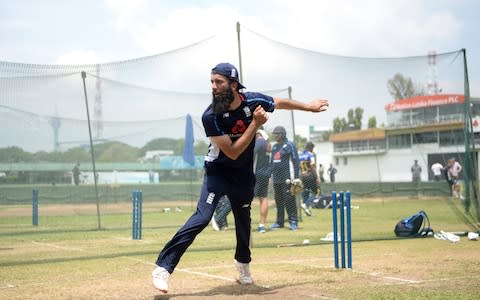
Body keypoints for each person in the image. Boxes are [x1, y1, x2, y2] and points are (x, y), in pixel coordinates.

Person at [151, 62, 329, 294]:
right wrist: (255, 124)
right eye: (212, 82)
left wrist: (309, 106)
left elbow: (279, 102)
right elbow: (233, 151)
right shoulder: (210, 115)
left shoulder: (253, 101)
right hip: (218, 172)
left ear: (233, 85)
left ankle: (243, 265)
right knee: (202, 218)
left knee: (243, 220)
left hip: (243, 174)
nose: (214, 87)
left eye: (219, 82)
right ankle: (163, 268)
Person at [270, 125, 300, 231]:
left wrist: (296, 177)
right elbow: (272, 163)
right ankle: (279, 222)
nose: (275, 136)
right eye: (275, 134)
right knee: (279, 201)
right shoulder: (274, 147)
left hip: (287, 178)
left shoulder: (289, 145)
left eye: (277, 134)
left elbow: (295, 161)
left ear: (282, 134)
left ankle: (293, 221)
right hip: (277, 179)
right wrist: (270, 175)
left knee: (289, 200)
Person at [254, 128, 272, 233]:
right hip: (266, 173)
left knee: (246, 198)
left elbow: (251, 155)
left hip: (256, 173)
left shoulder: (259, 142)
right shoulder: (267, 143)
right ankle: (262, 225)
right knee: (263, 198)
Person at [299, 141, 318, 216]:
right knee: (315, 192)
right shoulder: (311, 155)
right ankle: (306, 205)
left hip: (303, 176)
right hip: (310, 175)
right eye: (312, 148)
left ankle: (307, 211)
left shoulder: (300, 155)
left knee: (305, 192)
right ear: (310, 147)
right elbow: (312, 166)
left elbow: (298, 166)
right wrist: (316, 177)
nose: (313, 149)